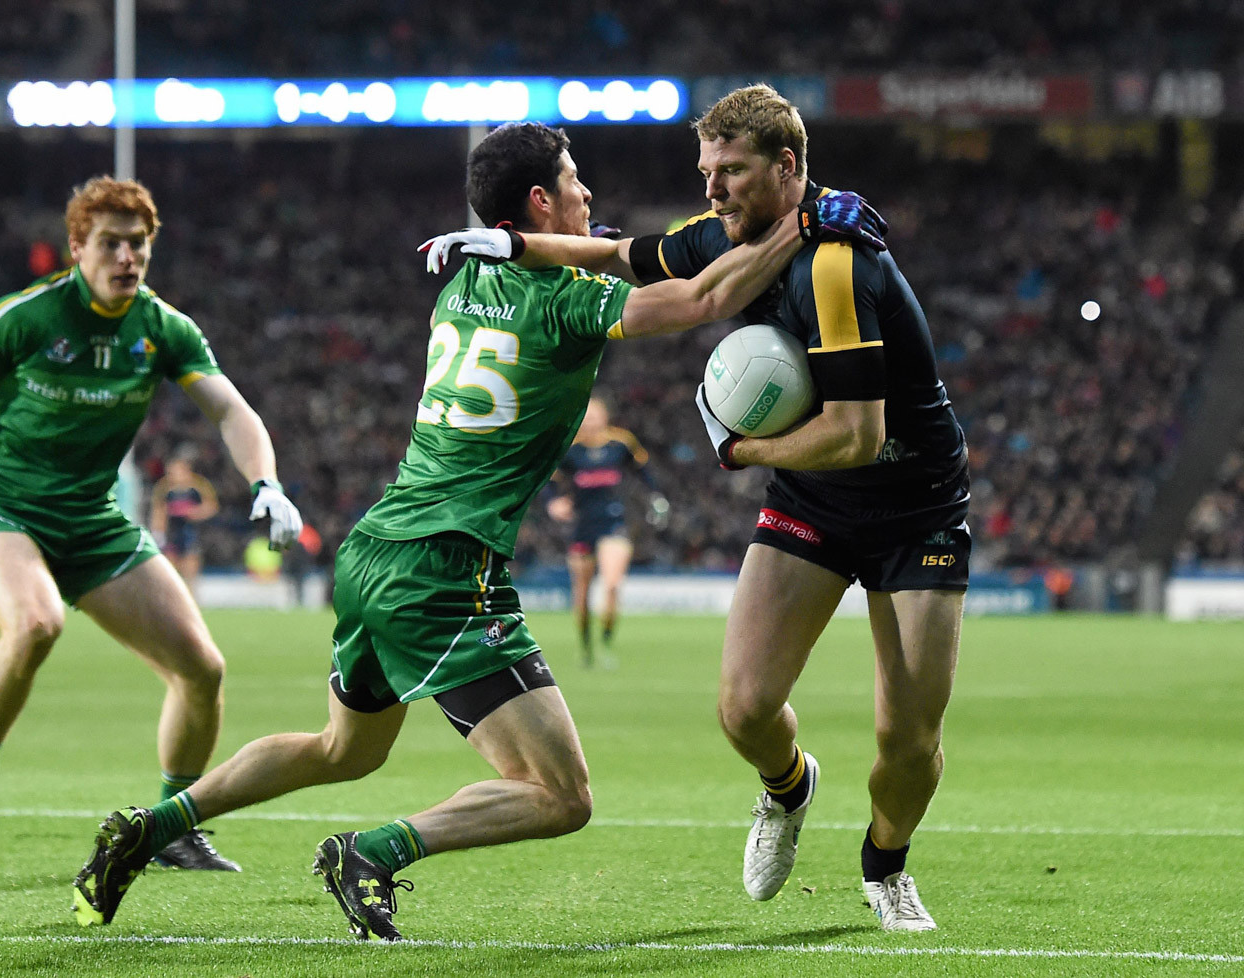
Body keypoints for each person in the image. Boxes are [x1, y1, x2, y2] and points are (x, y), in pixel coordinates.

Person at [68, 122, 883, 938]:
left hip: (376, 548)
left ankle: (152, 824)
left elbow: (649, 251)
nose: (588, 195)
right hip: (446, 567)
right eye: (573, 181)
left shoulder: (462, 281)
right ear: (538, 200)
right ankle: (373, 852)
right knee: (561, 796)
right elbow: (705, 296)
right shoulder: (560, 296)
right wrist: (804, 222)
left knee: (342, 751)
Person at [432, 85, 964, 932]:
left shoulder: (834, 261)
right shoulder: (726, 234)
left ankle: (885, 865)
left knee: (907, 739)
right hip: (814, 500)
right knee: (743, 707)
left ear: (787, 167)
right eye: (707, 172)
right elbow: (620, 255)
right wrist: (509, 241)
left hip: (916, 505)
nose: (713, 191)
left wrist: (738, 448)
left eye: (733, 172)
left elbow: (856, 437)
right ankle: (788, 789)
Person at [0, 176, 304, 875]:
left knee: (202, 668)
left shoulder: (163, 329)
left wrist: (267, 484)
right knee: (38, 622)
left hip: (94, 521)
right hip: (4, 508)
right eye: (111, 244)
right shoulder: (23, 318)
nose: (127, 258)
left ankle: (173, 825)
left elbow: (231, 412)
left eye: (139, 245)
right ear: (78, 248)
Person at [546, 396, 667, 667]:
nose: (590, 421)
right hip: (582, 526)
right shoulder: (571, 449)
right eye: (585, 416)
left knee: (611, 584)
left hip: (614, 522)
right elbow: (550, 482)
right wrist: (554, 503)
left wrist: (656, 497)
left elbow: (644, 471)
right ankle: (587, 648)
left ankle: (607, 639)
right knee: (582, 590)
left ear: (605, 417)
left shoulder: (621, 443)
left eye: (594, 415)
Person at [150, 445, 220, 595]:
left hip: (191, 532)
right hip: (171, 533)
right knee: (169, 570)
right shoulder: (164, 487)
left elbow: (211, 506)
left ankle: (191, 599)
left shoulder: (198, 485)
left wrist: (195, 513)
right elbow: (159, 511)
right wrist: (158, 533)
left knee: (190, 569)